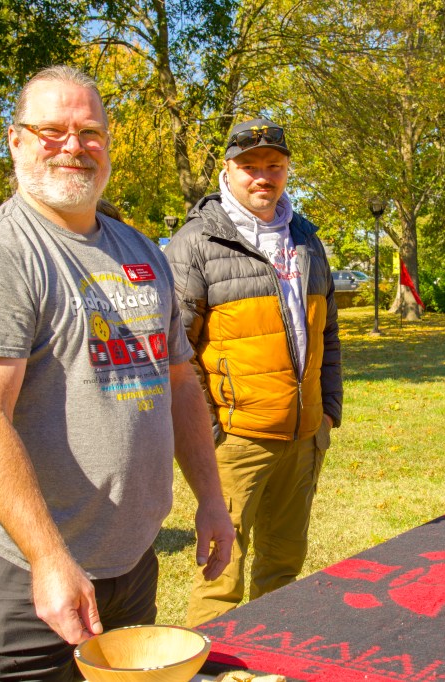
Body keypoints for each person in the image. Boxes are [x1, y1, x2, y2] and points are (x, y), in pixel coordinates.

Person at [0, 65, 234, 681]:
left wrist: (212, 502)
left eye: (90, 132)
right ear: (15, 141)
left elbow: (177, 383)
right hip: (12, 564)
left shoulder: (140, 251)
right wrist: (48, 559)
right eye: (52, 130)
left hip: (128, 557)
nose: (73, 146)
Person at [163, 118, 343, 626]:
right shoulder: (196, 242)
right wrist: (213, 434)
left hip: (304, 439)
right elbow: (176, 352)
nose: (262, 176)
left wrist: (327, 413)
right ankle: (209, 668)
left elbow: (327, 332)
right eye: (250, 167)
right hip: (236, 443)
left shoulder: (305, 238)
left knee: (284, 569)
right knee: (220, 578)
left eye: (274, 166)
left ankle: (269, 663)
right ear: (228, 169)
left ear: (286, 170)